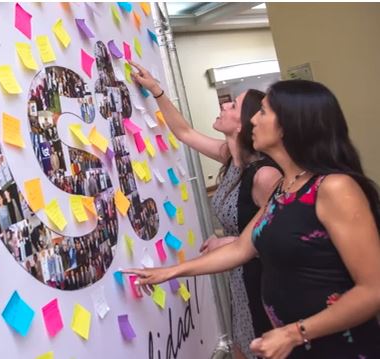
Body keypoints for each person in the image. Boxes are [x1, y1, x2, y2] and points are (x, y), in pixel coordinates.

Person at [124, 80, 380, 359]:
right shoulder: (286, 187)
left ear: (288, 125)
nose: (254, 120)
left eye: (263, 112)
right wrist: (169, 272)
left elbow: (373, 289)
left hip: (336, 346)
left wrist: (294, 332)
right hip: (293, 343)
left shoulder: (334, 188)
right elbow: (240, 248)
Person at [130, 61, 281, 358]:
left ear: (245, 122)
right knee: (243, 343)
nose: (224, 106)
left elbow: (283, 238)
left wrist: (233, 242)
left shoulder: (265, 175)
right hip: (237, 274)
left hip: (262, 279)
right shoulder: (229, 156)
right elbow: (184, 132)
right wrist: (157, 90)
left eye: (233, 106)